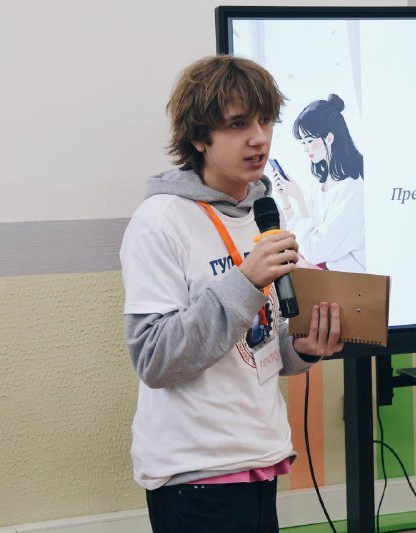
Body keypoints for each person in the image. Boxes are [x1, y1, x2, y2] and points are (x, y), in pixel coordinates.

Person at [119, 55, 345, 532]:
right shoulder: (160, 221)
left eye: (265, 121)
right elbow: (154, 359)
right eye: (238, 124)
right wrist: (244, 281)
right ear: (198, 138)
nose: (259, 138)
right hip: (195, 475)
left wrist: (302, 348)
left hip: (260, 459)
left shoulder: (262, 213)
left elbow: (256, 350)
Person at [273, 94, 366, 273]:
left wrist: (298, 199)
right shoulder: (319, 185)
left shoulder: (353, 192)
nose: (305, 148)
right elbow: (300, 239)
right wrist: (286, 201)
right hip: (324, 277)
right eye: (303, 142)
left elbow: (314, 252)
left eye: (309, 141)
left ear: (329, 138)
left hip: (351, 283)